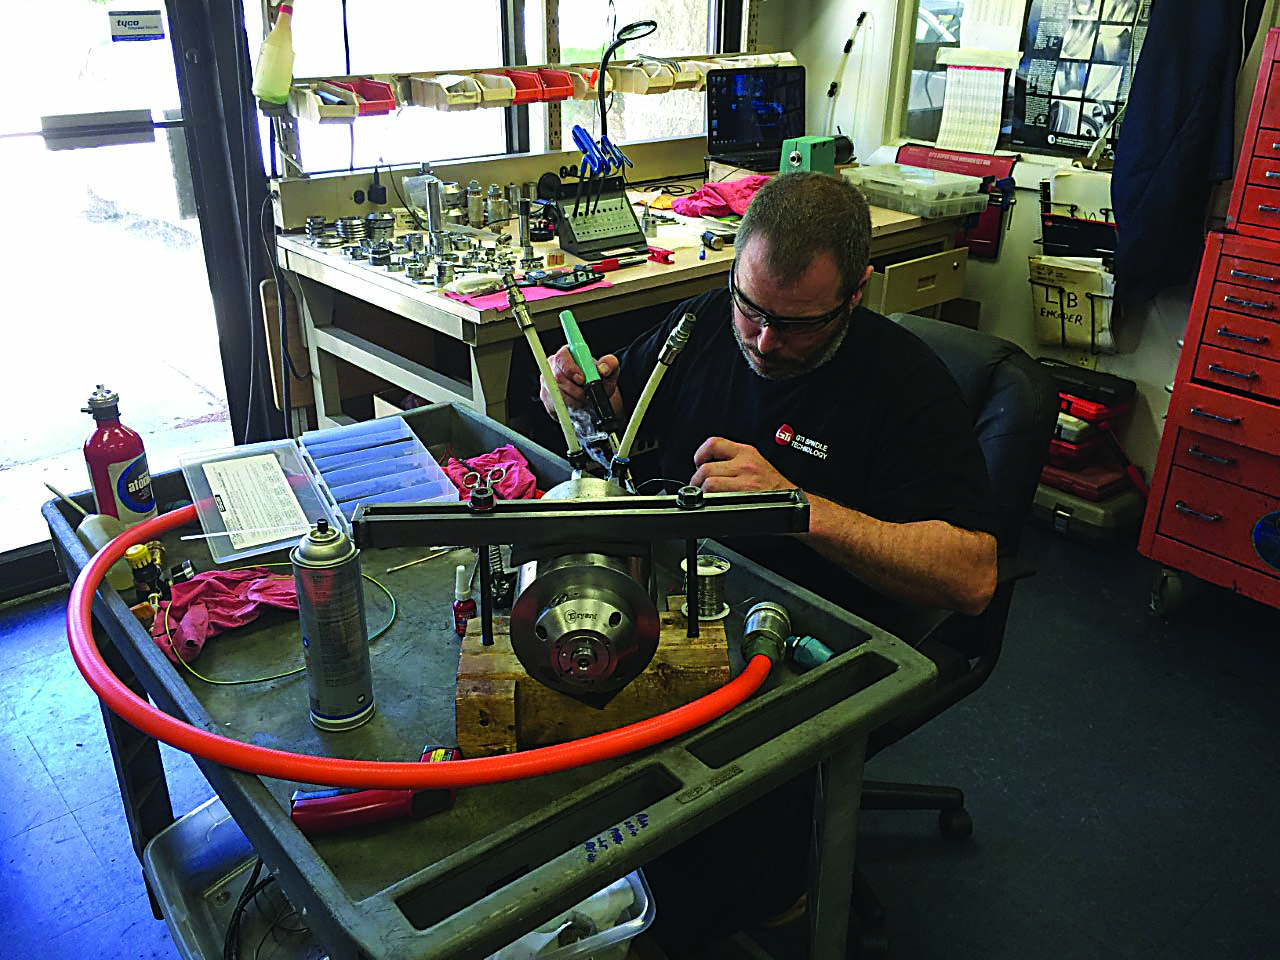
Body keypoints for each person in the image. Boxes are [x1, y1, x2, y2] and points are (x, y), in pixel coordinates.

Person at [539, 171, 1000, 955]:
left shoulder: (905, 387)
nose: (760, 340)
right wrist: (577, 393)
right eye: (748, 308)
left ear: (855, 294)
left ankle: (768, 895)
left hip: (815, 638)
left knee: (690, 837)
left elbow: (972, 575)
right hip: (692, 595)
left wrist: (797, 503)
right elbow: (616, 421)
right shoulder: (704, 326)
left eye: (795, 325)